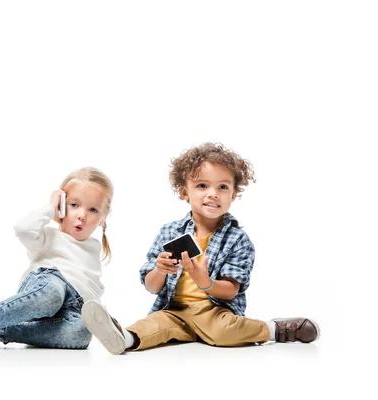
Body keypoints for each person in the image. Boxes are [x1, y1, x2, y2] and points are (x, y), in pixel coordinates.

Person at [81, 142, 319, 354]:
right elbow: (152, 287)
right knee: (154, 324)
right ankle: (125, 337)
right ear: (185, 192)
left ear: (234, 194)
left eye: (223, 187)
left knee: (226, 332)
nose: (213, 194)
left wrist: (205, 282)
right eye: (202, 185)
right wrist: (160, 270)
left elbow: (230, 291)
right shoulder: (169, 232)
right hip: (173, 310)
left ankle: (275, 329)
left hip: (213, 311)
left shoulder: (238, 239)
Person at [0, 167, 113, 352]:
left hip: (73, 307)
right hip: (47, 286)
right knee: (53, 293)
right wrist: (50, 208)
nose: (82, 214)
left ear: (102, 219)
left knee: (81, 334)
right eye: (74, 205)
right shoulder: (47, 236)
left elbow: (92, 288)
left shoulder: (94, 248)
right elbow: (23, 229)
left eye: (93, 209)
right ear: (62, 205)